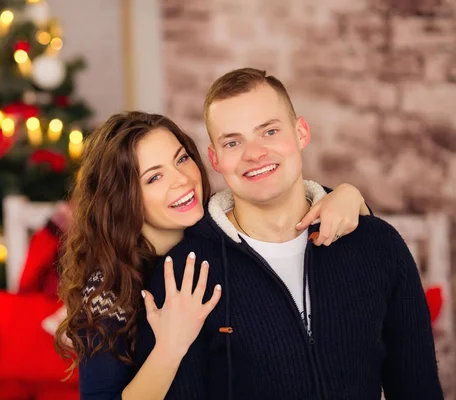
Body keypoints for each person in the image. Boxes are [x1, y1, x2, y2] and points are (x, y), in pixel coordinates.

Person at [134, 68, 443, 399]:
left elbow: (418, 388)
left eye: (269, 131)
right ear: (215, 158)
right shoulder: (185, 274)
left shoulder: (377, 245)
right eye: (233, 142)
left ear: (301, 132)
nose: (254, 153)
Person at [56, 111, 371, 400]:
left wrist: (348, 196)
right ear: (123, 199)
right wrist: (171, 345)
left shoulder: (226, 224)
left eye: (181, 159)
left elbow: (312, 214)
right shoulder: (109, 290)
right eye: (154, 177)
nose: (181, 179)